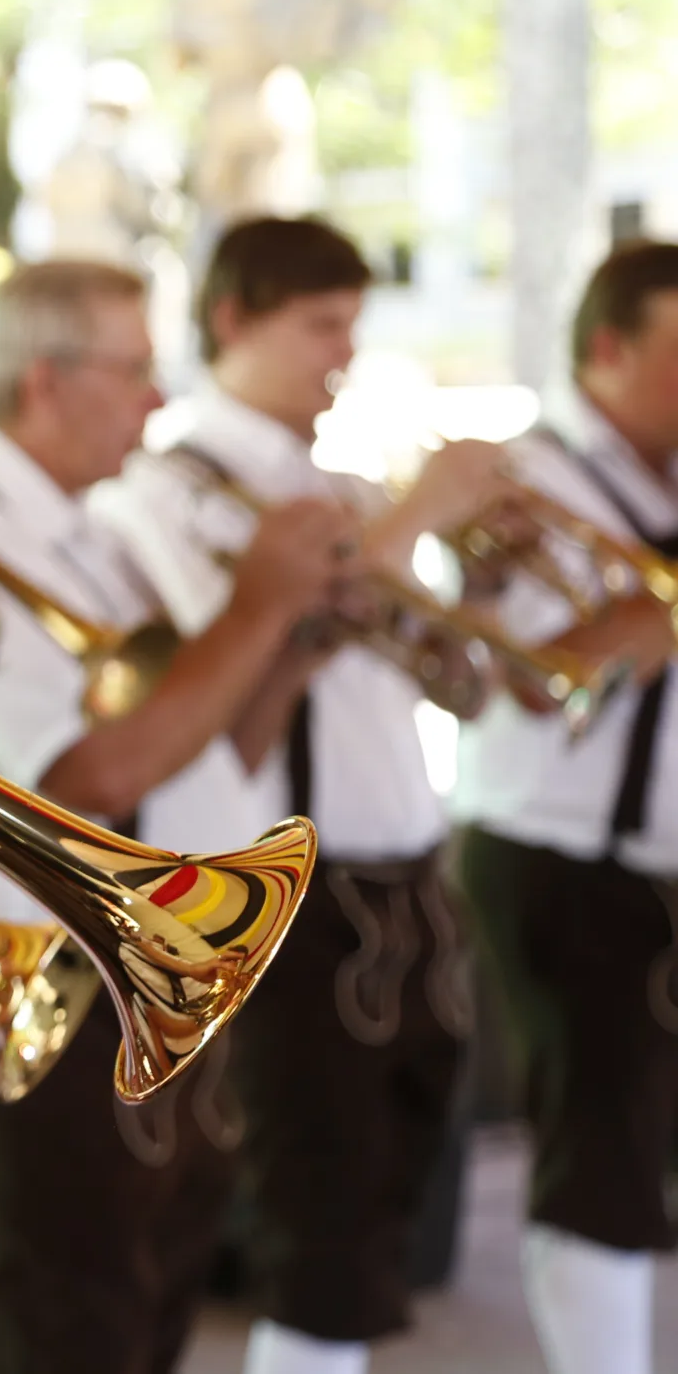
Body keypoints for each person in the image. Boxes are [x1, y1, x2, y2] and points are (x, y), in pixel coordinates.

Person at [0, 260, 344, 1374]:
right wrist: (259, 603)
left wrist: (291, 641)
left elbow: (211, 754)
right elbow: (88, 773)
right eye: (132, 370)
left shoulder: (98, 537)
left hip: (155, 947)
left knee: (160, 1262)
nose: (156, 399)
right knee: (71, 1296)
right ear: (44, 381)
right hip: (40, 968)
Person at [93, 217, 503, 1374]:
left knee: (381, 1211)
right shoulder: (164, 494)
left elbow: (457, 681)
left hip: (406, 875)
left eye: (351, 328)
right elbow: (221, 671)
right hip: (290, 884)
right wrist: (411, 520)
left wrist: (456, 567)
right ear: (233, 320)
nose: (342, 356)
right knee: (313, 1216)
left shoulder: (344, 486)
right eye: (319, 326)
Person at [449, 241, 678, 1374]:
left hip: (652, 857)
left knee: (637, 1145)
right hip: (558, 854)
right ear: (605, 350)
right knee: (599, 1149)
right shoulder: (529, 487)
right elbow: (499, 679)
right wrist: (632, 625)